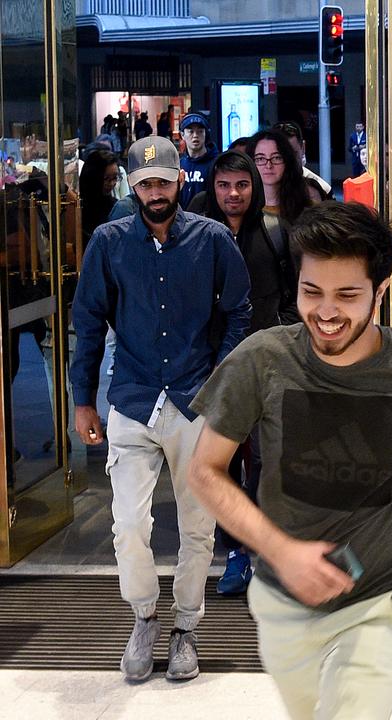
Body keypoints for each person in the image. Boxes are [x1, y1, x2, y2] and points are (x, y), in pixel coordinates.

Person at [187, 201, 392, 718]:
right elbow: (204, 470)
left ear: (381, 292)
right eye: (312, 292)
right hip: (283, 597)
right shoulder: (263, 360)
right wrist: (282, 551)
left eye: (347, 295)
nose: (326, 312)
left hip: (382, 597)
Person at [69, 135, 252, 683]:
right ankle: (145, 616)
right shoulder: (108, 241)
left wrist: (222, 385)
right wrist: (83, 401)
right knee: (127, 524)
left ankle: (186, 628)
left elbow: (238, 315)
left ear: (179, 182)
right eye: (144, 183)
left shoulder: (213, 239)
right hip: (132, 397)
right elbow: (88, 324)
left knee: (198, 527)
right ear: (132, 184)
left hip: (196, 402)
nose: (155, 192)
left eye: (163, 182)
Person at [190, 150, 301, 594]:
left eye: (241, 185)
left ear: (254, 187)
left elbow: (296, 295)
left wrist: (284, 340)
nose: (232, 194)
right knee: (223, 463)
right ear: (212, 189)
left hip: (264, 365)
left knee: (268, 461)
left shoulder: (275, 232)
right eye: (223, 185)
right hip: (208, 368)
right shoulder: (195, 234)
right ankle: (235, 552)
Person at [247, 129, 314, 225]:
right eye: (260, 159)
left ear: (287, 161)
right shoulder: (243, 209)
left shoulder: (309, 210)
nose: (268, 165)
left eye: (276, 158)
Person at [273, 121, 332, 199]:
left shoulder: (322, 190)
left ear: (303, 148)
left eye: (292, 154)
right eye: (278, 156)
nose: (287, 162)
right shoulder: (257, 188)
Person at [79, 148, 120, 245]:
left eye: (115, 178)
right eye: (106, 179)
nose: (112, 183)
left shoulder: (115, 206)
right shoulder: (78, 206)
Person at [179, 112, 217, 208]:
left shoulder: (216, 164)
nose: (195, 135)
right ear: (182, 135)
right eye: (191, 131)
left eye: (200, 131)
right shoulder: (179, 165)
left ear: (205, 134)